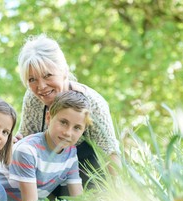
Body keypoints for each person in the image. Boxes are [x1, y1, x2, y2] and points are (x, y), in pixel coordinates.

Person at [16, 33, 120, 191]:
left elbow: (110, 154)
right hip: (49, 173)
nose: (41, 86)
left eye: (48, 75)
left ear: (64, 71)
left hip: (87, 172)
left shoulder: (93, 104)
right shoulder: (32, 99)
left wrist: (119, 197)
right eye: (32, 79)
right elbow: (26, 136)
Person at [0, 91, 92, 201]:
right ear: (48, 118)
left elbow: (78, 199)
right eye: (63, 122)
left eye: (77, 127)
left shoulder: (70, 153)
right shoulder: (28, 150)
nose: (68, 133)